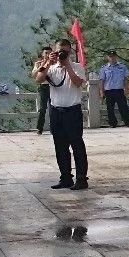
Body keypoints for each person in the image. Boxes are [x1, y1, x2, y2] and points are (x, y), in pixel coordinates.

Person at [35, 38, 89, 190]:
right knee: (60, 146)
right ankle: (65, 177)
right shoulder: (51, 68)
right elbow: (39, 79)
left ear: (70, 51)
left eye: (65, 51)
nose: (62, 54)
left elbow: (78, 83)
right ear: (54, 51)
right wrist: (47, 62)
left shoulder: (77, 67)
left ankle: (81, 179)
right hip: (56, 111)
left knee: (77, 145)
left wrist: (67, 67)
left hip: (72, 110)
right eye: (59, 51)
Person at [98, 50, 129, 127]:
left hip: (119, 90)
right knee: (110, 109)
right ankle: (112, 123)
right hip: (109, 91)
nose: (112, 58)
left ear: (116, 57)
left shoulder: (122, 67)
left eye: (113, 56)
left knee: (123, 107)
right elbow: (102, 80)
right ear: (107, 57)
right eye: (110, 56)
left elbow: (125, 79)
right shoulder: (104, 68)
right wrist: (101, 91)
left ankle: (128, 122)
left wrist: (126, 89)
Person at [32, 45, 53, 134]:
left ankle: (53, 127)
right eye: (46, 53)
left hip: (52, 87)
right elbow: (34, 75)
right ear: (42, 54)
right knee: (42, 108)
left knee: (53, 108)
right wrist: (42, 66)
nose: (48, 55)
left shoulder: (54, 63)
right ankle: (39, 128)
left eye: (49, 53)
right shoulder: (38, 64)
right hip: (43, 87)